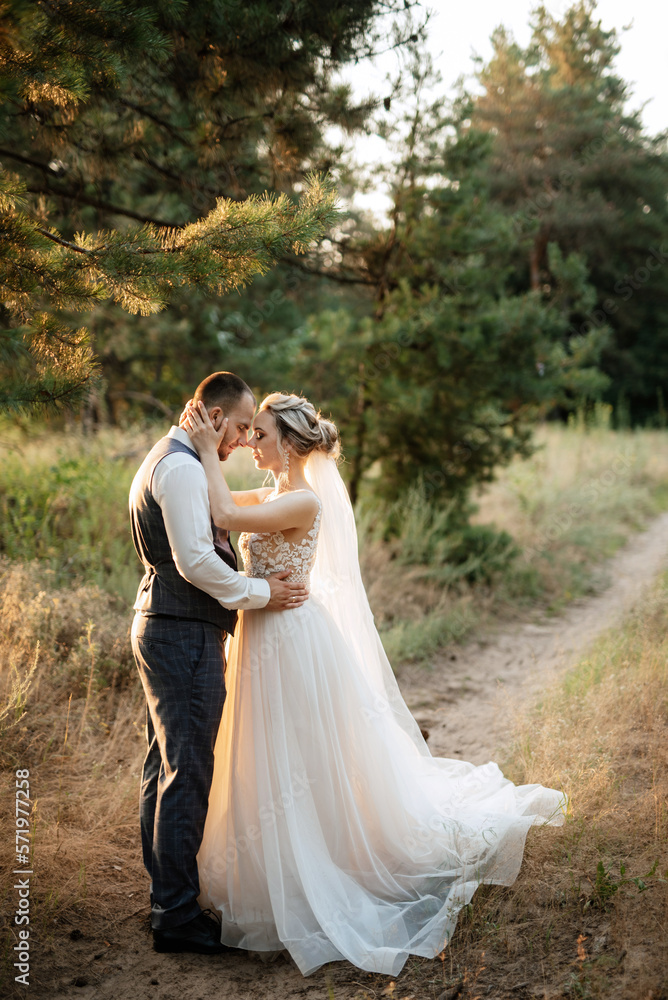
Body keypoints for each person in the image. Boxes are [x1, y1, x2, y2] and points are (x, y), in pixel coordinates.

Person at [180, 392, 567, 978]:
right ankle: (269, 872)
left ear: (286, 442)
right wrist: (202, 461)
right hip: (258, 635)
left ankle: (321, 865)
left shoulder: (304, 501)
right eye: (250, 434)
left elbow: (228, 518)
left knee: (299, 756)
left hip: (292, 638)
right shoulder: (276, 494)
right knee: (263, 755)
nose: (251, 444)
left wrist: (208, 448)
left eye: (259, 434)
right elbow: (216, 507)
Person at [129, 372, 309, 956]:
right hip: (180, 631)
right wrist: (259, 594)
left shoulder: (179, 457)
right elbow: (198, 564)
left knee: (167, 765)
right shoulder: (180, 467)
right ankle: (177, 915)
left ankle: (168, 898)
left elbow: (225, 514)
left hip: (174, 626)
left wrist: (209, 451)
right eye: (236, 428)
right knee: (188, 770)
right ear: (209, 414)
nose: (239, 441)